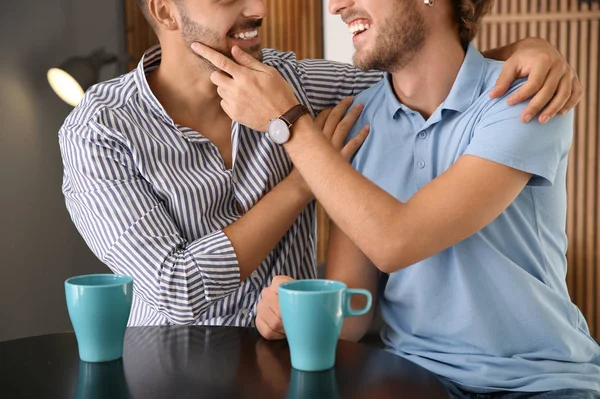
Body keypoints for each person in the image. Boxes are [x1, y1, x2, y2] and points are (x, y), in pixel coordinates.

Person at [60, 0, 580, 329]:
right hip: (169, 365)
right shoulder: (99, 132)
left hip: (300, 358)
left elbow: (418, 67)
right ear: (167, 13)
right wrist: (301, 184)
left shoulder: (292, 85)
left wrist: (529, 50)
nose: (259, 7)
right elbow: (178, 288)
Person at [192, 0, 600, 398]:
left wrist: (287, 122)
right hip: (412, 378)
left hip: (540, 381)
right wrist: (297, 311)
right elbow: (352, 311)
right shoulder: (356, 120)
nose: (335, 7)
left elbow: (396, 241)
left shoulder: (526, 96)